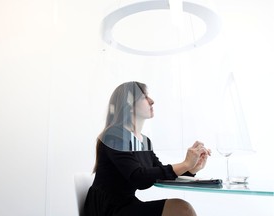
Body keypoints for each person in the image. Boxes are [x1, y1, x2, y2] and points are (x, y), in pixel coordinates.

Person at [83, 81, 211, 216]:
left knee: (182, 208)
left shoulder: (143, 141)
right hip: (108, 210)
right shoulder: (114, 136)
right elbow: (138, 177)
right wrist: (185, 164)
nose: (152, 101)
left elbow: (160, 174)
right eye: (144, 97)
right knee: (182, 209)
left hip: (126, 205)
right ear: (129, 105)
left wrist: (191, 168)